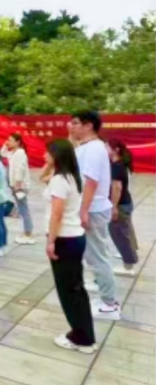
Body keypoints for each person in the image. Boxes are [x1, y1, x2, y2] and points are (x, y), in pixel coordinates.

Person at [45, 139, 97, 354]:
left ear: (57, 156)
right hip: (75, 237)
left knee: (68, 292)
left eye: (48, 153)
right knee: (77, 289)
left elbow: (57, 214)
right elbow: (42, 178)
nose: (44, 156)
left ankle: (81, 339)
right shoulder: (72, 177)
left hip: (64, 239)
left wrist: (51, 241)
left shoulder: (59, 180)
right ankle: (85, 335)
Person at [69, 111, 121, 321]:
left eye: (75, 123)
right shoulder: (88, 147)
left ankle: (110, 304)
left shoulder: (94, 149)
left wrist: (83, 210)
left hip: (93, 208)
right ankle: (105, 294)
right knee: (95, 255)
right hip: (92, 207)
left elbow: (90, 181)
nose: (71, 126)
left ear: (88, 125)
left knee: (98, 256)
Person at [108, 140, 139, 278]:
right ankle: (131, 253)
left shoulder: (116, 166)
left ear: (116, 150)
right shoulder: (122, 164)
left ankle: (128, 265)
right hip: (126, 202)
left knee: (120, 235)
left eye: (107, 147)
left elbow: (117, 187)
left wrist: (113, 206)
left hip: (120, 205)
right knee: (127, 232)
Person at [2, 134, 35, 245]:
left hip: (20, 186)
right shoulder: (13, 153)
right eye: (8, 140)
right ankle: (27, 232)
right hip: (15, 185)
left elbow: (20, 169)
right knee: (22, 209)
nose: (8, 142)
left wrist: (17, 185)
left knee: (24, 209)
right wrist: (5, 145)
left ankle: (28, 234)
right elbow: (2, 153)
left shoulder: (20, 153)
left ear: (18, 142)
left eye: (11, 140)